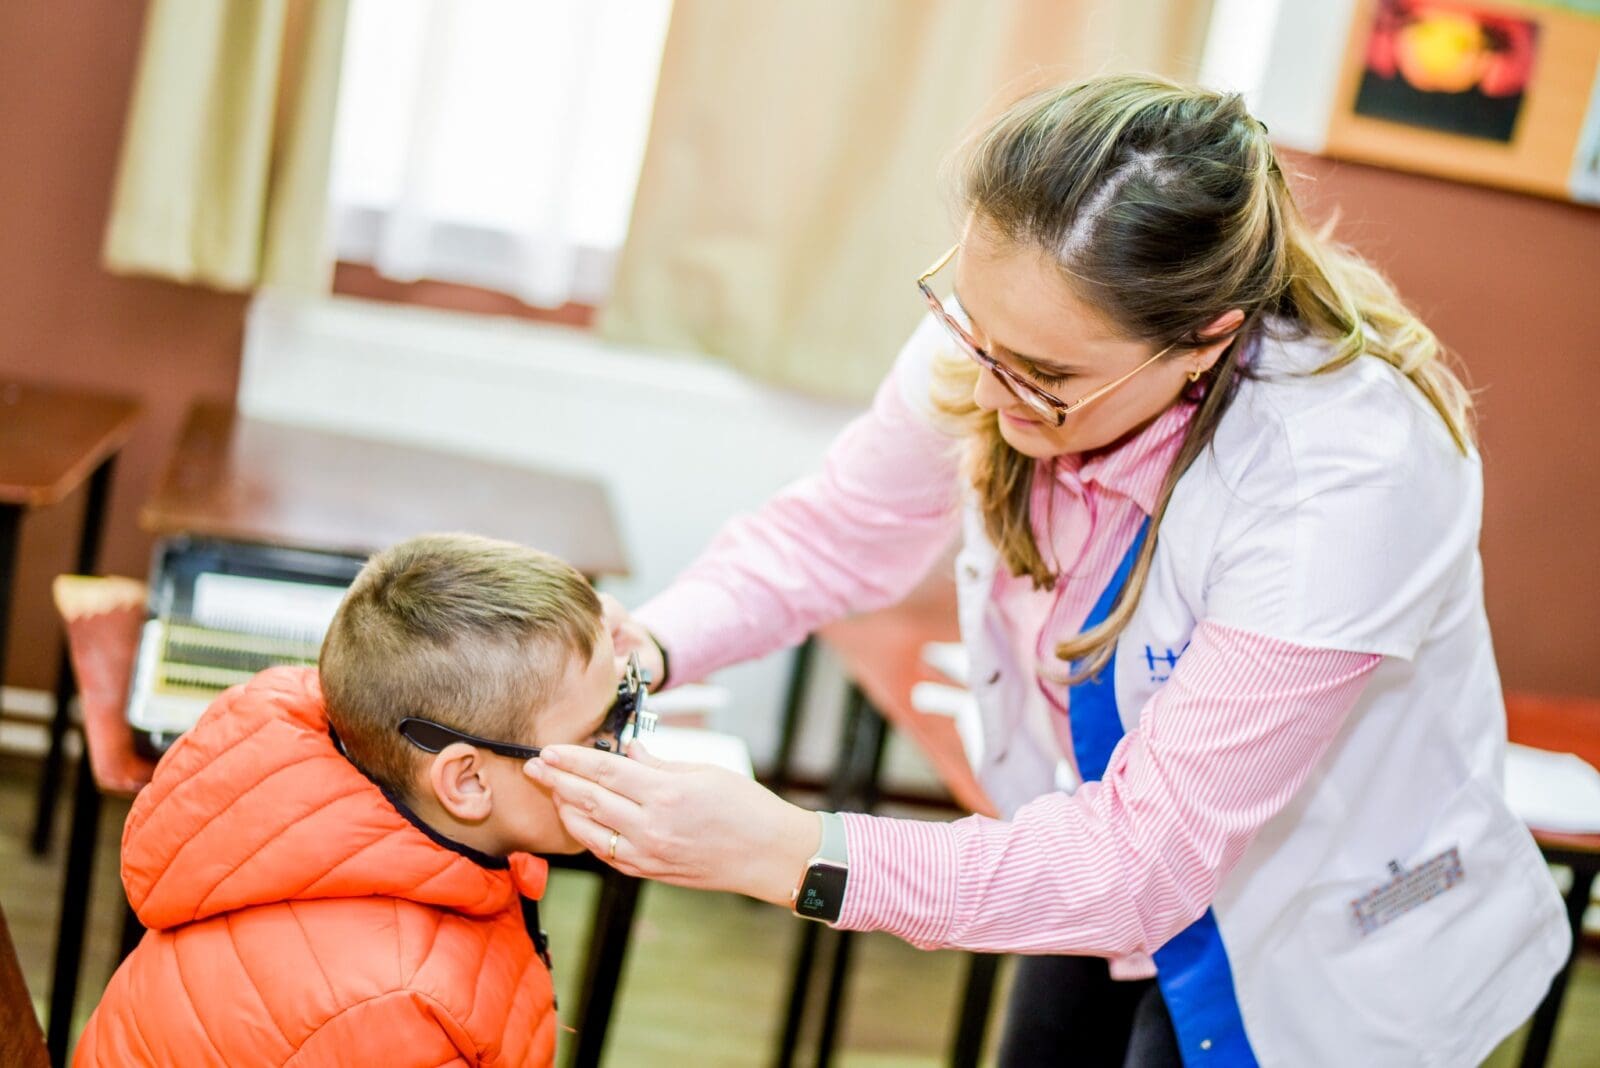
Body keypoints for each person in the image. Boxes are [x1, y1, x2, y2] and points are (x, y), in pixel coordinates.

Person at [524, 75, 1570, 1066]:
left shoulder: (1341, 476)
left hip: (1321, 929)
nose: (988, 381)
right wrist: (652, 646)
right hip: (1097, 861)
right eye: (974, 328)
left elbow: (1141, 866)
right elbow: (839, 531)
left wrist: (795, 851)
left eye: (1048, 375)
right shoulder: (1008, 334)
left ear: (1205, 339)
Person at [77, 533, 648, 1067]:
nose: (622, 748)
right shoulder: (397, 1015)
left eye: (626, 698)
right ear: (468, 783)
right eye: (600, 731)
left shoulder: (355, 779)